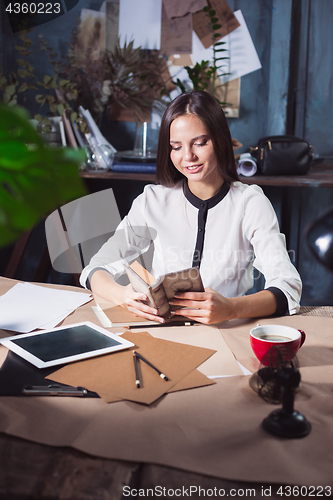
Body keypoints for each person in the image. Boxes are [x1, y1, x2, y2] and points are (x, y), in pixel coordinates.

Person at [80, 91, 302, 324]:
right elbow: (96, 268)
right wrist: (123, 295)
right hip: (162, 331)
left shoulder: (250, 202)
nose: (188, 157)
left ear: (220, 141)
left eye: (200, 143)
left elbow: (287, 287)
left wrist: (231, 308)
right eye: (176, 147)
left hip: (227, 332)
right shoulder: (151, 201)